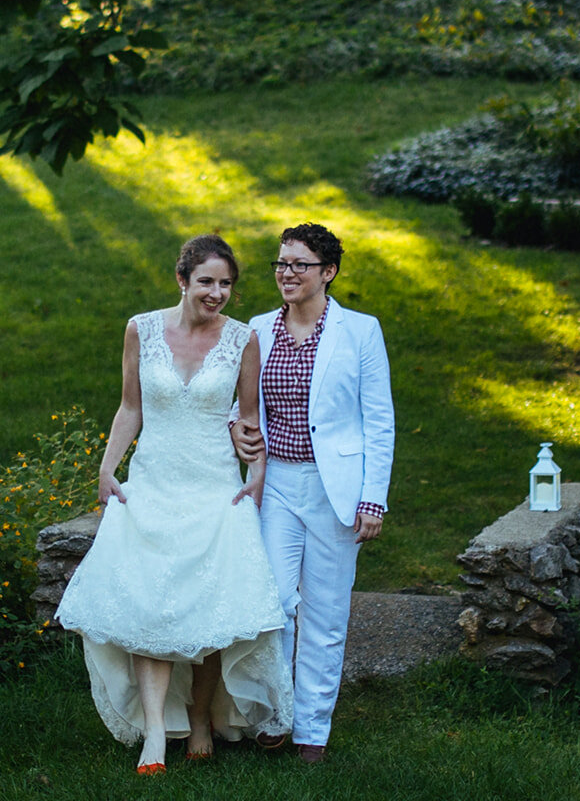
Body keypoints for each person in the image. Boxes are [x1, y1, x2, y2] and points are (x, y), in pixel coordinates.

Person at [54, 234, 293, 774]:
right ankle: (157, 734)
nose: (217, 293)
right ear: (182, 279)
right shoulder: (142, 328)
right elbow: (129, 407)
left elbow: (248, 419)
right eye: (206, 281)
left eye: (226, 283)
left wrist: (256, 473)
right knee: (148, 606)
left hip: (214, 488)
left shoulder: (243, 340)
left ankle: (203, 716)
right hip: (154, 484)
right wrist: (107, 467)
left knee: (210, 607)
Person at [231, 222, 394, 765]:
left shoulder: (360, 331)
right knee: (272, 604)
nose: (287, 274)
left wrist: (373, 498)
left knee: (325, 612)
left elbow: (378, 420)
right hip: (274, 483)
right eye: (281, 263)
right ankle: (276, 714)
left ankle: (313, 732)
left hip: (335, 489)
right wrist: (237, 426)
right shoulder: (257, 328)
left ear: (329, 272)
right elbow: (243, 404)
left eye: (300, 265)